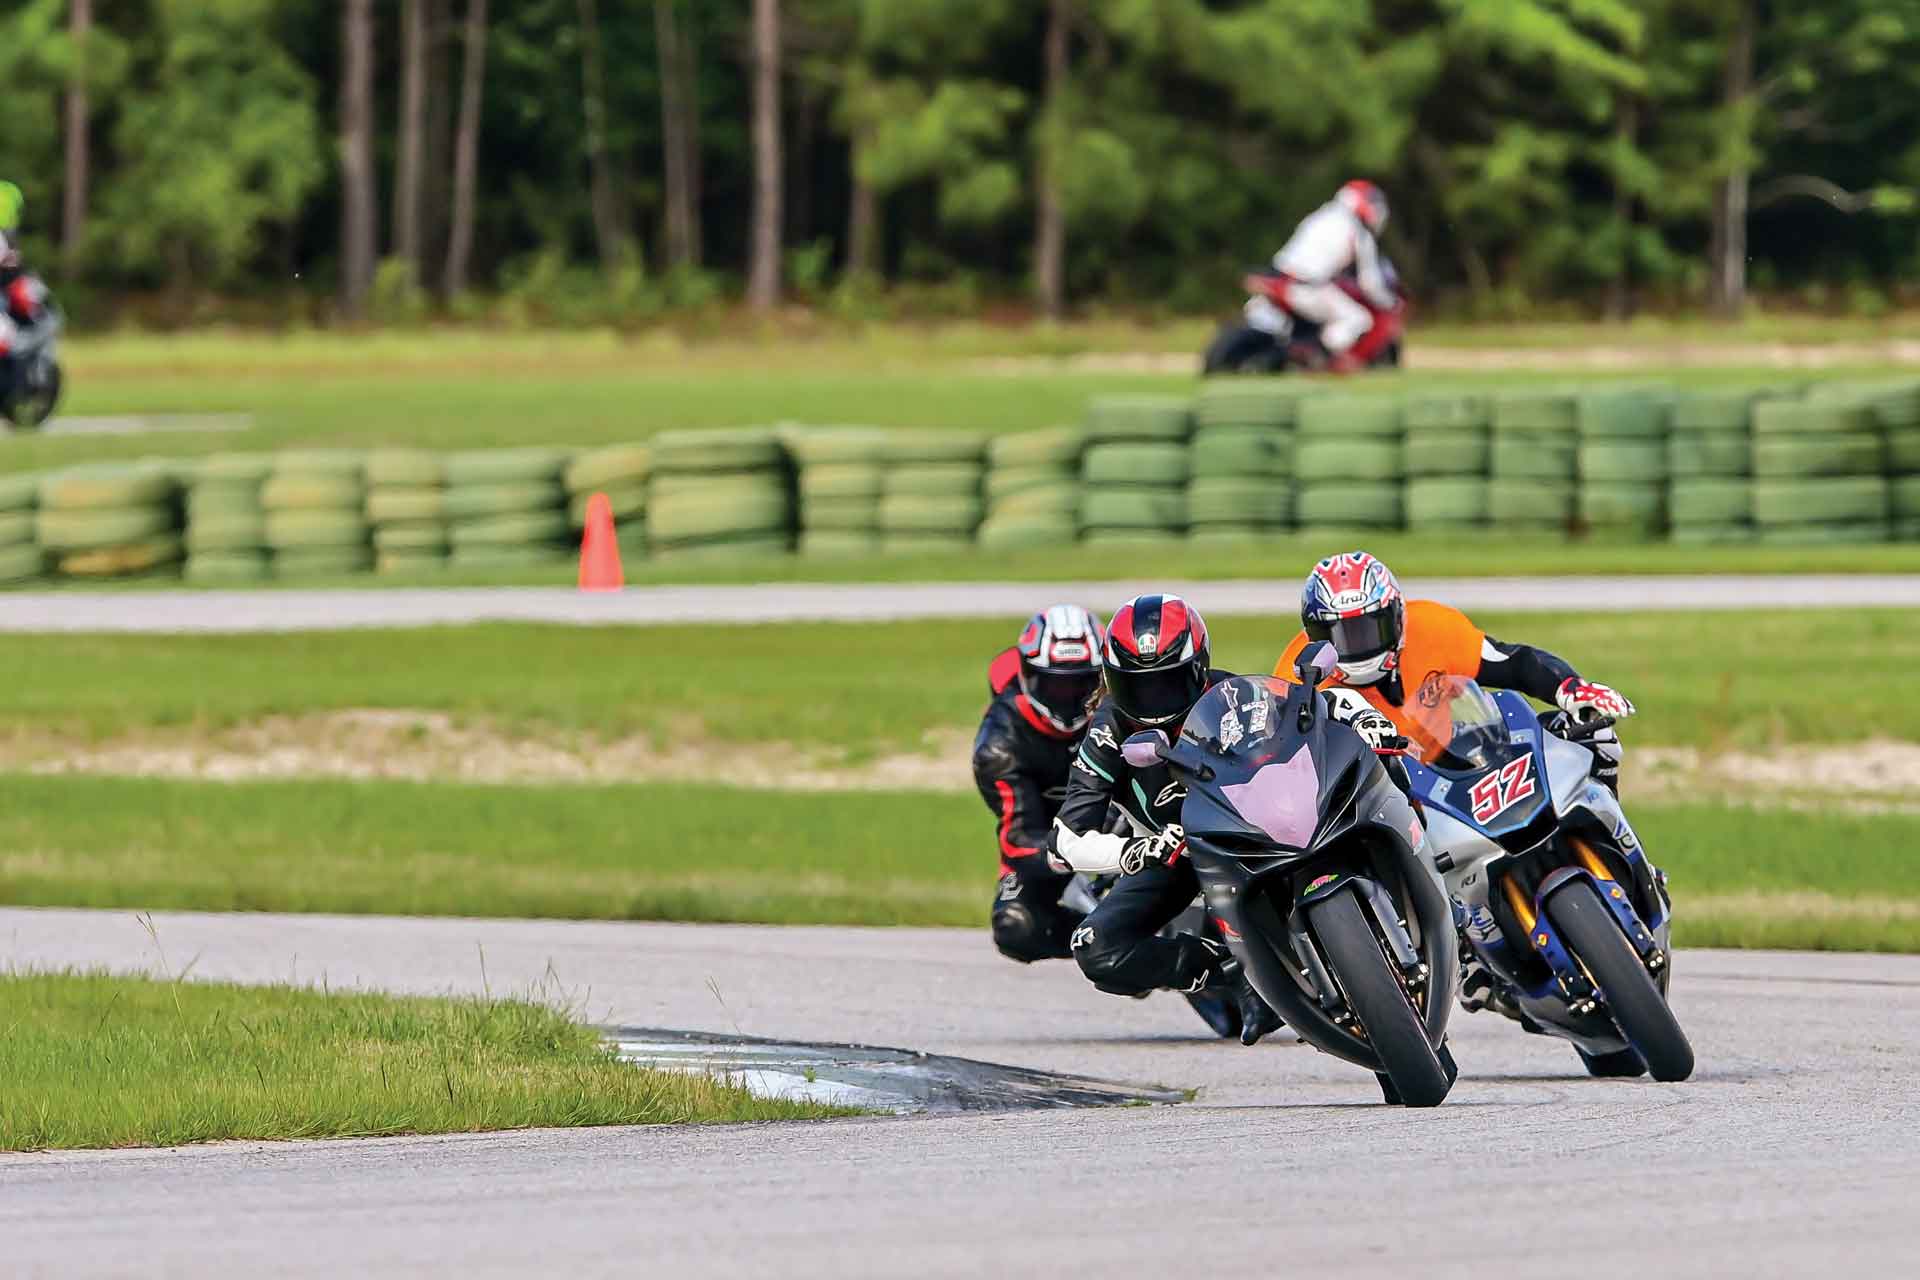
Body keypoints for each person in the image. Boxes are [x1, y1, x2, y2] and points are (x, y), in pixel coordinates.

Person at [1273, 550, 1637, 1013]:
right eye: (1340, 634)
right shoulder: (1298, 670)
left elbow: (1511, 662)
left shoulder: (1432, 626)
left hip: (1455, 755)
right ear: (1315, 635)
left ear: (1397, 616)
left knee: (1594, 738)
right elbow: (1291, 755)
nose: (1358, 646)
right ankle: (1449, 949)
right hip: (1380, 791)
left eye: (1370, 629)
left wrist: (1571, 689)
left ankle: (1614, 839)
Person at [1045, 594, 1286, 1045]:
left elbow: (1311, 721)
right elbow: (1065, 839)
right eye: (1139, 685)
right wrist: (1133, 852)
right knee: (1095, 947)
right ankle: (1230, 972)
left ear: (1198, 668)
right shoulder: (1106, 733)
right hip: (1176, 852)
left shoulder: (1239, 695)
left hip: (1264, 837)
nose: (1154, 700)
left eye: (1167, 683)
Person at [973, 604, 1108, 965]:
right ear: (1028, 676)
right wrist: (1086, 854)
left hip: (1129, 820)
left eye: (1083, 683)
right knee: (1016, 927)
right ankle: (1116, 947)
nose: (1068, 697)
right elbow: (1018, 841)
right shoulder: (999, 746)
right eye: (1055, 684)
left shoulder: (1121, 706)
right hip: (1049, 844)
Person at [1266, 180, 1398, 370]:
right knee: (1358, 319)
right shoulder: (1359, 233)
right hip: (1308, 288)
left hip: (1278, 278)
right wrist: (1389, 302)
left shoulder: (1321, 216)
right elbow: (1370, 284)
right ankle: (1321, 357)